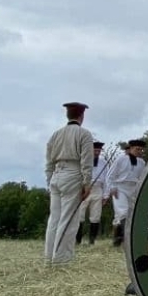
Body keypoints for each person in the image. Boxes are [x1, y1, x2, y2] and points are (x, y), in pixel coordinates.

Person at [44, 101, 94, 265]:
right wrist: (87, 184)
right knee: (69, 220)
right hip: (73, 174)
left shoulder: (55, 134)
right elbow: (87, 161)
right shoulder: (84, 134)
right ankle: (61, 259)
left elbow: (49, 161)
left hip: (56, 176)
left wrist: (49, 179)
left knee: (54, 219)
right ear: (82, 115)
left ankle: (49, 256)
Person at [106, 138, 147, 247]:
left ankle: (118, 238)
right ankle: (126, 238)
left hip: (133, 188)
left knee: (130, 213)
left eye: (141, 150)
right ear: (131, 149)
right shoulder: (121, 159)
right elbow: (110, 175)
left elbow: (141, 178)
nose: (139, 151)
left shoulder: (142, 162)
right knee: (123, 212)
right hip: (120, 187)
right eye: (137, 149)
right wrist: (112, 188)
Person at [75, 141, 110, 246]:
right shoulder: (83, 160)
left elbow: (107, 179)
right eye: (95, 150)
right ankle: (77, 240)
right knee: (79, 215)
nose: (97, 152)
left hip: (98, 189)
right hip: (84, 189)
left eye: (99, 151)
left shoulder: (104, 162)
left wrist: (105, 195)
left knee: (95, 216)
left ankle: (92, 240)